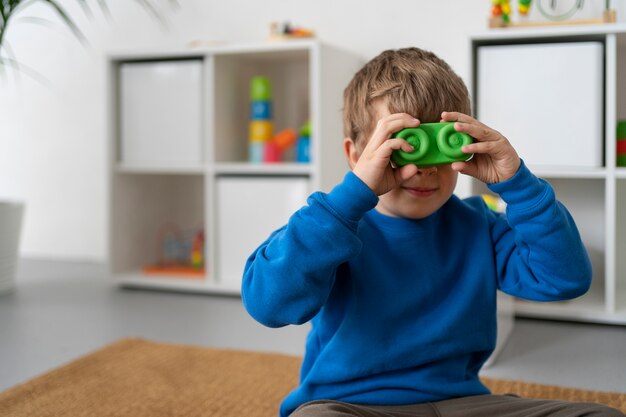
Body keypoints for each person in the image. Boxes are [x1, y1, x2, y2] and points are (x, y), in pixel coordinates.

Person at [241, 47, 624, 417]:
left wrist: (519, 184)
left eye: (440, 146)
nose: (422, 169)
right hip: (350, 404)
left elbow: (565, 279)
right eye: (403, 148)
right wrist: (349, 199)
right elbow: (269, 304)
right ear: (357, 156)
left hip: (462, 403)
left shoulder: (479, 226)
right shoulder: (331, 227)